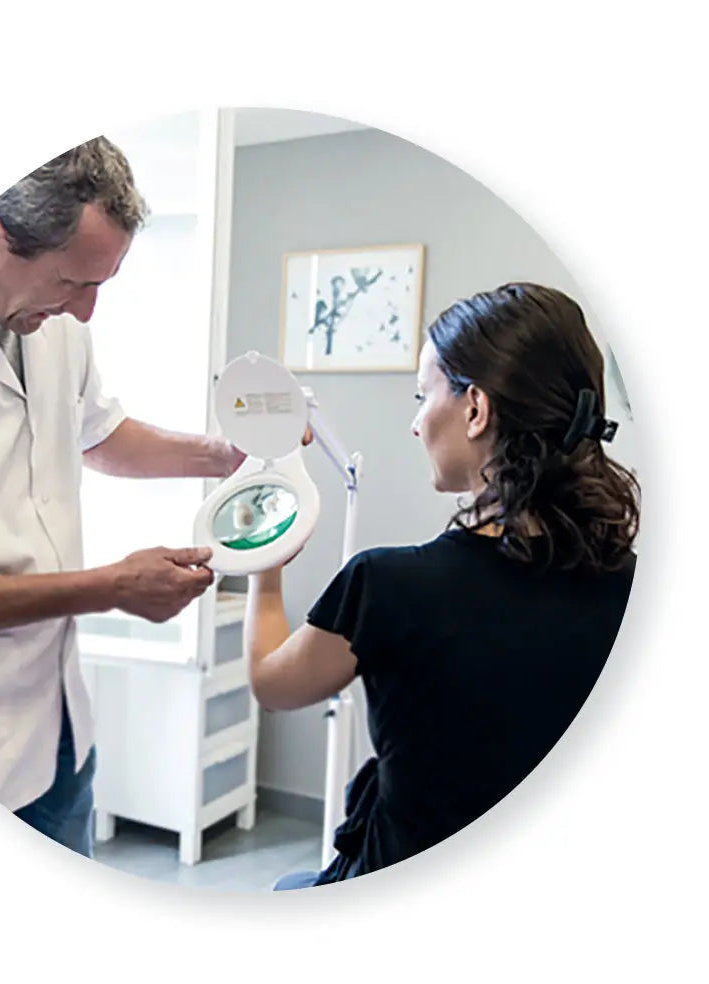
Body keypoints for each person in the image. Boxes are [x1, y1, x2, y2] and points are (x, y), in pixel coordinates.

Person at [0, 136, 248, 857]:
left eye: (102, 284)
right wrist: (111, 587)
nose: (86, 312)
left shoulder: (51, 322)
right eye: (72, 282)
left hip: (61, 729)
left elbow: (96, 434)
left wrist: (225, 457)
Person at [242, 283, 640, 888]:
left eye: (422, 395)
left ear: (475, 409)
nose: (415, 424)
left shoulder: (389, 585)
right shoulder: (631, 586)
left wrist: (264, 558)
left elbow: (272, 682)